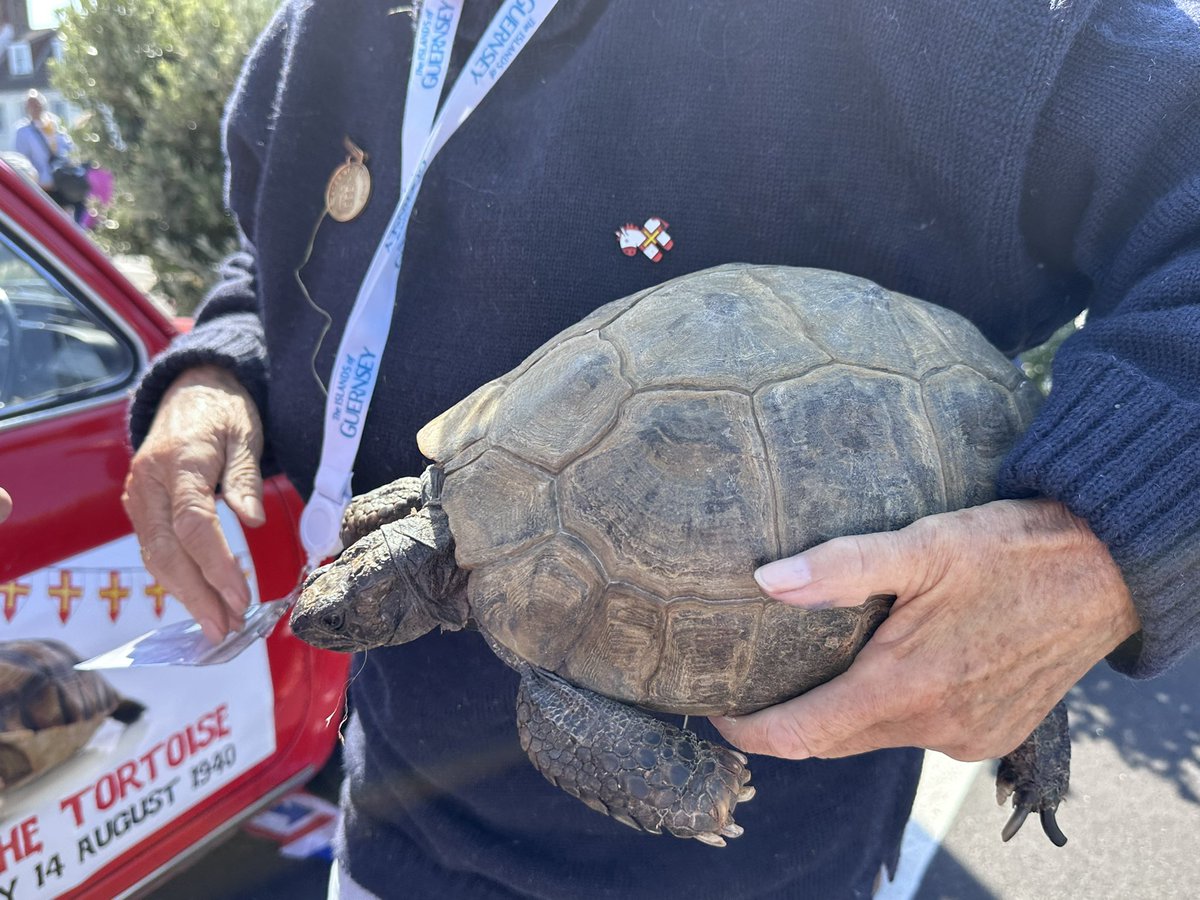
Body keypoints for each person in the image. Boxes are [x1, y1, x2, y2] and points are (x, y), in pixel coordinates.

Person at [121, 2, 1200, 897]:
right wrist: (218, 364)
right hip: (389, 834)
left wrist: (1097, 546)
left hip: (765, 876)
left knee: (575, 716)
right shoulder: (330, 26)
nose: (328, 625)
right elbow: (299, 252)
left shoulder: (949, 33)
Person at [13, 90, 86, 225]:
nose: (36, 107)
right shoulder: (23, 132)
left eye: (38, 103)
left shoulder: (54, 123)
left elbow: (68, 146)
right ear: (27, 108)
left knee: (78, 206)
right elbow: (23, 159)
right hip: (43, 185)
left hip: (63, 179)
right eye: (32, 105)